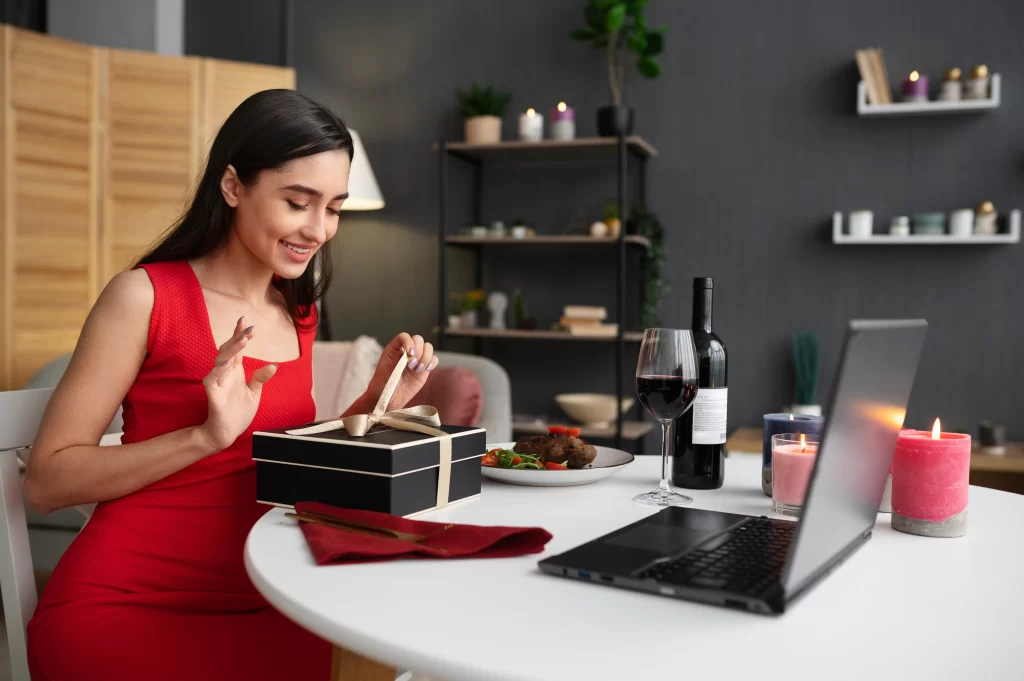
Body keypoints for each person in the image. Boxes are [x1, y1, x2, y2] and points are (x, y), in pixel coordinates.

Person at [23, 89, 435, 680]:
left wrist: (378, 405)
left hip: (271, 591)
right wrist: (202, 437)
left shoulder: (297, 311)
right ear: (234, 186)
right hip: (126, 599)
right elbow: (45, 482)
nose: (319, 230)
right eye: (298, 202)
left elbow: (289, 463)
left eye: (335, 208)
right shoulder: (143, 297)